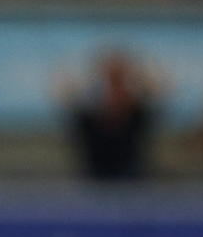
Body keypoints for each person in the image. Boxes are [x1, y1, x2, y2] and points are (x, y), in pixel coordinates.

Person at [61, 49, 159, 181]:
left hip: (133, 184)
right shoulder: (87, 119)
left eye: (120, 83)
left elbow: (157, 92)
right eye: (110, 83)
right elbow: (66, 95)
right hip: (93, 184)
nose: (116, 92)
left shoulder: (140, 116)